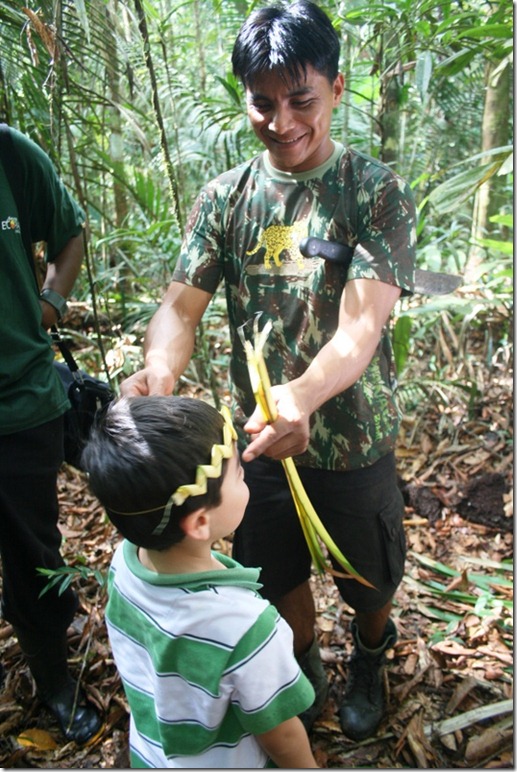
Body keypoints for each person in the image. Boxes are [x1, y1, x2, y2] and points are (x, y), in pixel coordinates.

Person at [121, 0, 416, 742]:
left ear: (337, 89)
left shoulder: (372, 192)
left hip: (350, 435)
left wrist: (303, 395)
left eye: (301, 101)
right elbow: (180, 308)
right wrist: (158, 368)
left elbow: (361, 324)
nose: (281, 121)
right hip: (254, 440)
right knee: (274, 567)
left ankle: (370, 658)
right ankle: (303, 665)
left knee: (366, 573)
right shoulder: (225, 198)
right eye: (262, 102)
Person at [82, 395, 318, 768]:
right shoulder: (246, 626)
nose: (245, 478)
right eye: (239, 474)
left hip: (152, 755)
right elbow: (282, 734)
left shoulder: (124, 564)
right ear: (200, 523)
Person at [0, 126, 102, 744]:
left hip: (19, 402)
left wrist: (51, 303)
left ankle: (53, 681)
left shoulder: (11, 156)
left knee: (33, 554)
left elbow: (70, 234)